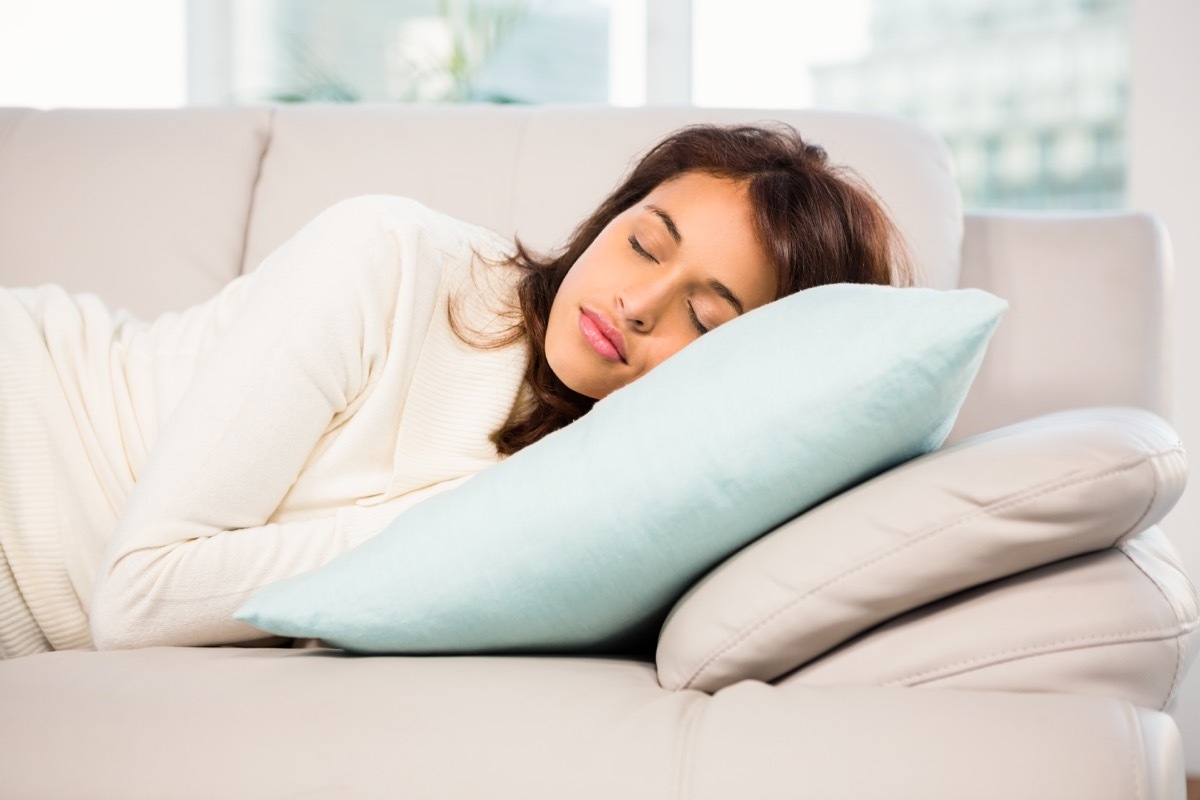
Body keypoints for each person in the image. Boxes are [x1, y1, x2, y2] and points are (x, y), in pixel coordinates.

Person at [0, 122, 913, 659]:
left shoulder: (635, 511)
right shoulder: (390, 258)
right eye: (643, 242)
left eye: (705, 321)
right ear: (609, 218)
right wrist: (493, 511)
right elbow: (139, 599)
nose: (635, 305)